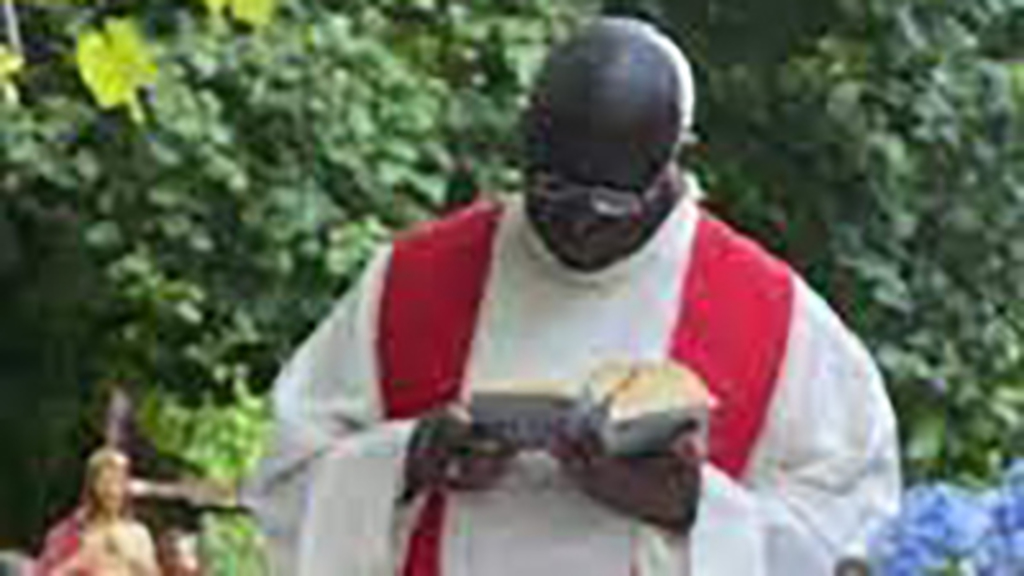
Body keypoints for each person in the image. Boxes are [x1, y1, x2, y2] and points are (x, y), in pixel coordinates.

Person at [245, 16, 900, 576]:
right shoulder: (414, 281)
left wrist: (689, 506)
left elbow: (848, 536)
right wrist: (410, 459)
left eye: (610, 202)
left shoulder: (771, 317)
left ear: (674, 159)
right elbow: (286, 482)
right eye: (552, 191)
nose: (578, 223)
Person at [35, 448, 160, 576]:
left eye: (118, 482)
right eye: (105, 482)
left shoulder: (139, 535)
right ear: (92, 486)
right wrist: (79, 560)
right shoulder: (71, 533)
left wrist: (132, 559)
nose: (112, 491)